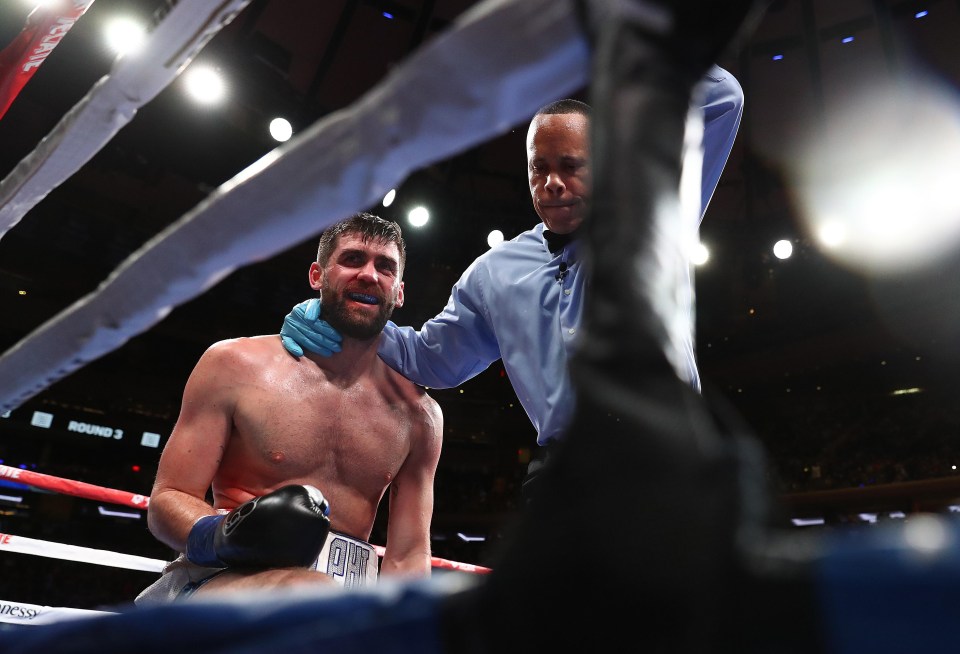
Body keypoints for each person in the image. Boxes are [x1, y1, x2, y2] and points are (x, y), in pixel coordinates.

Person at [278, 67, 743, 499]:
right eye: (540, 168)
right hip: (562, 474)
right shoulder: (494, 271)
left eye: (572, 166)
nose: (553, 183)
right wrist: (341, 316)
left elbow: (722, 99)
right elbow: (433, 359)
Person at [135, 212, 444, 604]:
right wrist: (228, 535)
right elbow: (168, 499)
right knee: (308, 594)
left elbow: (409, 554)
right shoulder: (234, 364)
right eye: (352, 260)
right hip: (221, 580)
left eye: (385, 267)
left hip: (340, 604)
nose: (369, 275)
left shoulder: (420, 414)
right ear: (317, 276)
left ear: (398, 292)